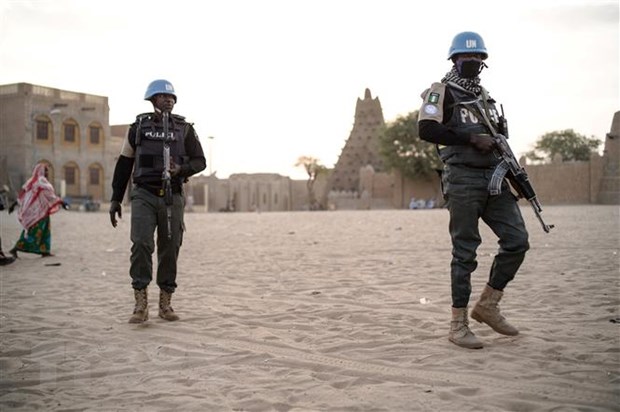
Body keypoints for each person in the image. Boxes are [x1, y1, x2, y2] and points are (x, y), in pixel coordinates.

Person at [417, 32, 530, 349]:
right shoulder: (440, 92)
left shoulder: (486, 98)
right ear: (454, 60)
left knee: (517, 241)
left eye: (478, 57)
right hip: (462, 179)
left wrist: (514, 175)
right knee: (465, 252)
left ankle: (488, 305)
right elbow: (426, 129)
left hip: (494, 178)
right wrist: (470, 139)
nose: (473, 61)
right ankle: (458, 324)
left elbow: (499, 141)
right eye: (467, 57)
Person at [109, 79, 206, 324]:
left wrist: (181, 169)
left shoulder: (185, 129)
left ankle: (165, 303)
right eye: (163, 96)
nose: (168, 100)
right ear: (152, 99)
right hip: (144, 194)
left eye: (171, 97)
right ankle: (140, 304)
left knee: (170, 248)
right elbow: (124, 164)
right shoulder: (138, 128)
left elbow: (200, 161)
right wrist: (115, 199)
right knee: (141, 244)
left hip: (173, 196)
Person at [8, 163, 69, 259]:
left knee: (45, 231)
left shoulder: (31, 182)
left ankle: (45, 251)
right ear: (40, 171)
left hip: (40, 211)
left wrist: (13, 205)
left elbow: (22, 196)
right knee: (34, 232)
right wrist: (62, 202)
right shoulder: (41, 182)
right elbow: (50, 196)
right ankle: (16, 248)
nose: (47, 172)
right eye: (45, 170)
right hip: (37, 213)